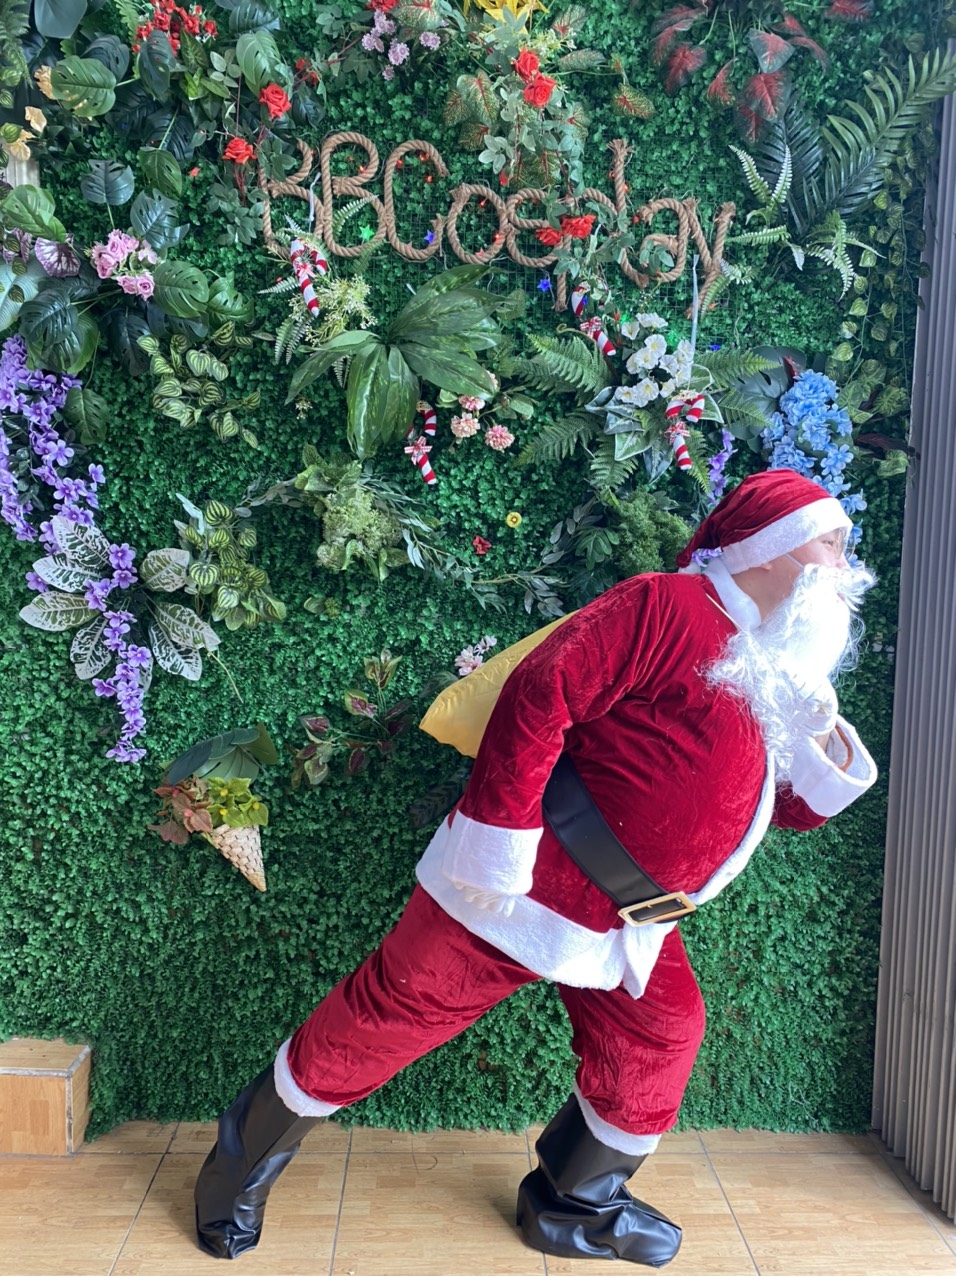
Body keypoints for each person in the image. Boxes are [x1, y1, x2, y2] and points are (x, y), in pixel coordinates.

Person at [194, 468, 878, 1266]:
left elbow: (778, 811)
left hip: (631, 920)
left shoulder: (772, 661)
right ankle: (236, 1168)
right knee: (384, 1019)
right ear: (772, 545)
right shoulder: (665, 605)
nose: (846, 563)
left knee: (661, 1034)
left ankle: (573, 1206)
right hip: (518, 892)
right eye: (832, 543)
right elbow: (542, 691)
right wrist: (499, 842)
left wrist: (822, 739)